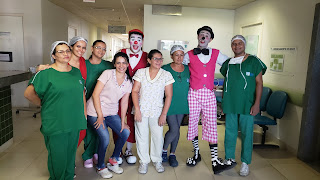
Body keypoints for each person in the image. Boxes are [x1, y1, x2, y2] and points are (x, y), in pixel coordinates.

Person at [24, 41, 87, 180]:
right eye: (61, 51)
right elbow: (28, 94)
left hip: (74, 121)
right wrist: (44, 104)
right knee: (58, 158)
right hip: (55, 122)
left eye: (68, 51)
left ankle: (69, 177)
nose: (66, 54)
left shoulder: (76, 72)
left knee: (71, 155)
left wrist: (84, 114)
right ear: (53, 55)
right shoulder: (45, 73)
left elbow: (81, 92)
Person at [183, 26, 229, 174]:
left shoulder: (216, 53)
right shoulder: (188, 54)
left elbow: (230, 65)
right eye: (201, 34)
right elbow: (180, 69)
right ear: (197, 37)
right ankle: (196, 154)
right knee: (193, 123)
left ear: (210, 38)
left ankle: (215, 161)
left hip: (209, 93)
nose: (203, 37)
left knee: (211, 125)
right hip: (194, 93)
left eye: (207, 35)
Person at [221, 35, 267, 176]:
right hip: (231, 103)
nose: (237, 46)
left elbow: (259, 83)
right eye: (234, 44)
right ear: (231, 46)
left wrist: (257, 103)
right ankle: (229, 158)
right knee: (230, 132)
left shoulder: (254, 61)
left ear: (244, 45)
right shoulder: (228, 63)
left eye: (239, 43)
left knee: (247, 134)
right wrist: (223, 102)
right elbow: (226, 83)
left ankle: (245, 163)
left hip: (247, 104)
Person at [86, 52, 132, 179]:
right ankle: (101, 166)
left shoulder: (128, 81)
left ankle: (114, 159)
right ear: (114, 64)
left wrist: (123, 121)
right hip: (95, 111)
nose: (121, 65)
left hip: (111, 112)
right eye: (118, 62)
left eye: (124, 63)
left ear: (127, 64)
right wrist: (100, 116)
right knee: (105, 138)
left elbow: (124, 103)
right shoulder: (107, 74)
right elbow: (95, 95)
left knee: (125, 132)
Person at [132, 49, 174, 174]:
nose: (159, 61)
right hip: (141, 110)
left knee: (157, 137)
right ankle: (144, 162)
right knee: (142, 136)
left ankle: (157, 160)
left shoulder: (166, 74)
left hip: (157, 111)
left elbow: (169, 96)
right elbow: (134, 91)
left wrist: (164, 114)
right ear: (149, 60)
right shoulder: (140, 72)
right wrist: (137, 110)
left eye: (160, 59)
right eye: (155, 58)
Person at [115, 29, 148, 164]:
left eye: (139, 39)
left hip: (138, 95)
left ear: (142, 42)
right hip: (120, 93)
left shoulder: (146, 56)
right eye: (133, 38)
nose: (135, 42)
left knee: (133, 122)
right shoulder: (121, 53)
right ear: (129, 40)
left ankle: (129, 150)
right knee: (118, 120)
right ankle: (118, 151)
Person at [82, 40, 114, 168]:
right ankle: (88, 155)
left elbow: (120, 70)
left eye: (104, 49)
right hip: (85, 100)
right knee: (88, 130)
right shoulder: (83, 64)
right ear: (92, 48)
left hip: (101, 103)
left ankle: (95, 152)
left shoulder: (108, 65)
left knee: (99, 129)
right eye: (98, 48)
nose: (101, 51)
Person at [161, 45, 190, 167]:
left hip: (183, 103)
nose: (179, 57)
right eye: (176, 55)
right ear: (171, 56)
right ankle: (163, 150)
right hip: (170, 103)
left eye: (181, 55)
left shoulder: (189, 68)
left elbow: (198, 79)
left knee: (177, 129)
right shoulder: (165, 68)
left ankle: (172, 153)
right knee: (174, 129)